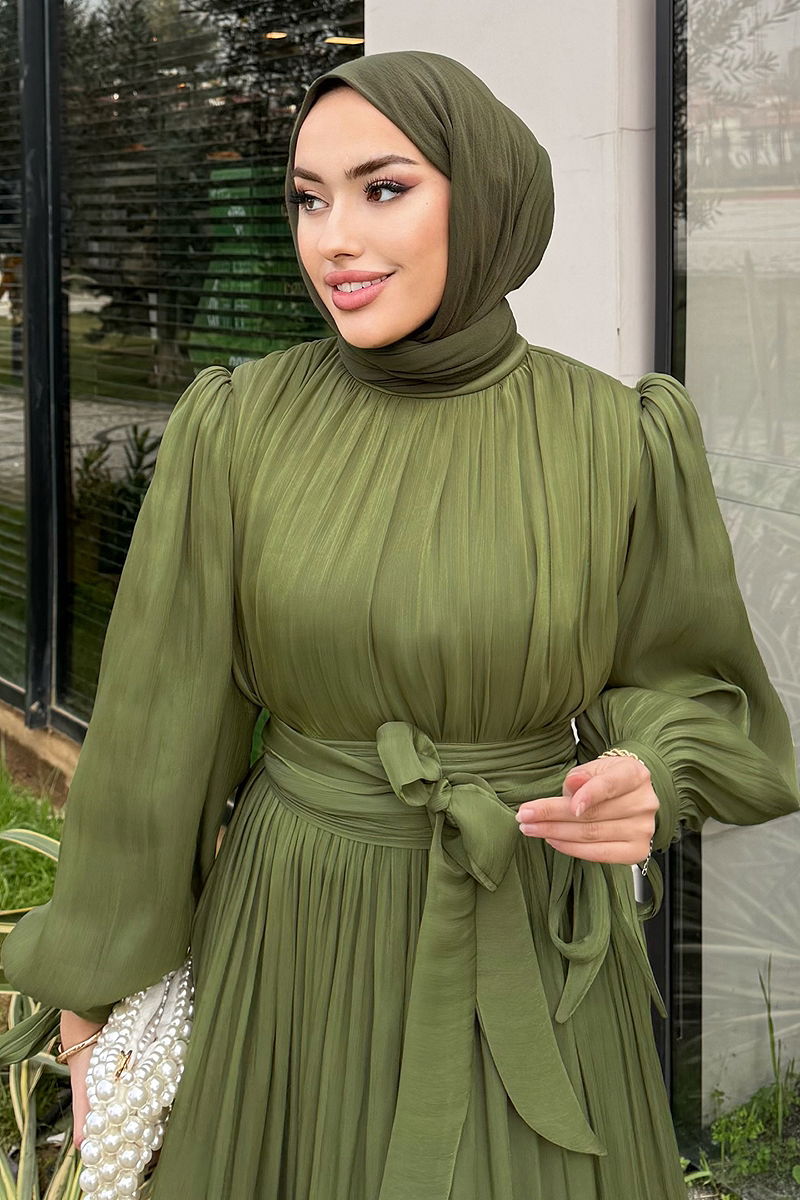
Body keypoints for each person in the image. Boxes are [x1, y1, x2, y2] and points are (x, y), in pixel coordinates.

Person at [1, 50, 798, 1200]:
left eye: (382, 188)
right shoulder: (240, 426)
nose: (333, 239)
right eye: (307, 199)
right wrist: (92, 991)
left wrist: (649, 772)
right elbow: (157, 736)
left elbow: (693, 689)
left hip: (522, 929)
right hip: (294, 932)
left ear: (483, 197)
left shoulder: (615, 436)